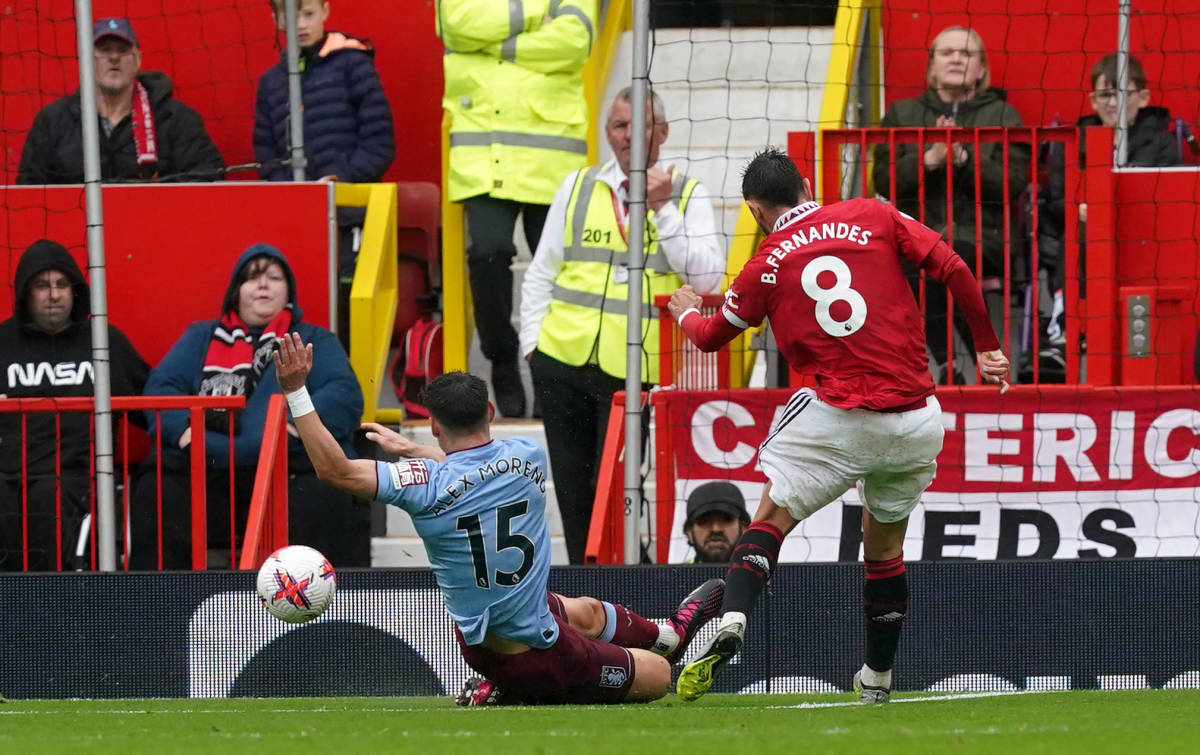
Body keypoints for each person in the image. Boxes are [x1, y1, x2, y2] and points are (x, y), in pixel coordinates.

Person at [668, 147, 1010, 703]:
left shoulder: (766, 264)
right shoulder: (874, 214)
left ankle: (731, 617)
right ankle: (877, 680)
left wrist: (685, 308)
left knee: (771, 517)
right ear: (807, 183)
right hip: (917, 420)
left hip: (841, 417)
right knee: (884, 551)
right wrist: (989, 349)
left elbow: (708, 338)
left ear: (755, 212)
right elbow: (955, 268)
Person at [273, 354, 725, 705]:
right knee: (660, 677)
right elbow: (476, 470)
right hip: (539, 657)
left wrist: (296, 391)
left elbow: (335, 470)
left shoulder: (421, 485)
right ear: (489, 411)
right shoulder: (528, 455)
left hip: (483, 643)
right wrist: (423, 449)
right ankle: (526, 688)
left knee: (582, 610)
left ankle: (669, 635)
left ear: (434, 423)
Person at [519, 87, 724, 564]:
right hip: (561, 359)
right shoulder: (578, 185)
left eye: (642, 125)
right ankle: (583, 587)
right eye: (618, 126)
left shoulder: (687, 193)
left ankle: (622, 578)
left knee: (619, 489)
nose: (629, 135)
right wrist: (533, 347)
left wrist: (662, 209)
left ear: (663, 132)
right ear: (607, 132)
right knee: (571, 488)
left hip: (638, 369)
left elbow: (707, 276)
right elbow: (541, 272)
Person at [129, 243, 369, 569]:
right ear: (236, 291)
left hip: (289, 470)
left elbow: (344, 393)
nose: (264, 285)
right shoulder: (200, 336)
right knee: (157, 492)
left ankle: (324, 605)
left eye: (274, 277)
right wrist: (186, 434)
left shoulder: (313, 337)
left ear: (289, 292)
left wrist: (297, 429)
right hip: (207, 469)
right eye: (252, 278)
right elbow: (161, 389)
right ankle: (161, 608)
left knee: (327, 494)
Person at [437, 0, 599, 417]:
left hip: (552, 159)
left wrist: (490, 44)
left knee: (562, 272)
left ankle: (552, 373)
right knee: (487, 254)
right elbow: (456, 25)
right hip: (483, 155)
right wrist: (534, 15)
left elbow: (574, 41)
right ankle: (502, 359)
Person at [872, 26, 1027, 384]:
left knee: (940, 254)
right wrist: (929, 159)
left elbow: (1014, 182)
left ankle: (954, 363)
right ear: (931, 67)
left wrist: (962, 157)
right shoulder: (901, 113)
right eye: (947, 52)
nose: (957, 58)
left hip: (985, 238)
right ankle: (970, 365)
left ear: (981, 69)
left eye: (966, 53)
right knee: (920, 253)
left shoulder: (1005, 115)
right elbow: (883, 180)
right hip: (914, 232)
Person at [0, 239, 149, 571]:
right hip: (7, 471)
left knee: (45, 499)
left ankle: (44, 606)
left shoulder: (103, 341)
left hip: (74, 475)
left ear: (74, 290)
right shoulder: (3, 342)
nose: (53, 295)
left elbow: (150, 405)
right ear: (26, 293)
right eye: (41, 286)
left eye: (61, 285)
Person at [1031, 53, 1180, 380]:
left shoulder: (1163, 142)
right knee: (1080, 231)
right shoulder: (1072, 142)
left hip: (1145, 245)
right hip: (1085, 242)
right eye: (1105, 94)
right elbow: (1055, 200)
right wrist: (1080, 209)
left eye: (1123, 93)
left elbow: (1172, 196)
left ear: (1144, 97)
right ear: (1092, 101)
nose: (1114, 102)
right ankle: (1065, 330)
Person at [254, 0, 396, 339]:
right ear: (275, 18)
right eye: (290, 16)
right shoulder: (272, 82)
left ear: (325, 11)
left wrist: (338, 182)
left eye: (308, 14)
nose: (300, 24)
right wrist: (293, 192)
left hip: (351, 213)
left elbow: (380, 143)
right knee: (302, 297)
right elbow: (266, 155)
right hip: (296, 217)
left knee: (348, 294)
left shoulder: (353, 65)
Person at [17, 17, 224, 184]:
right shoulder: (53, 121)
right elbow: (30, 190)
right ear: (86, 59)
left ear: (138, 60)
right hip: (73, 233)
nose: (114, 57)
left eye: (123, 50)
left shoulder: (176, 118)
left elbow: (207, 177)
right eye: (105, 50)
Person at [683, 482, 749, 564]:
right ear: (689, 532)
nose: (716, 529)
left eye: (727, 519)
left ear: (744, 528)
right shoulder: (676, 576)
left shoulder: (763, 575)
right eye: (704, 521)